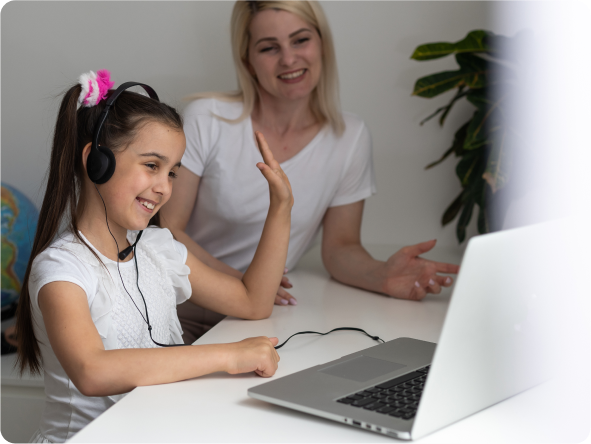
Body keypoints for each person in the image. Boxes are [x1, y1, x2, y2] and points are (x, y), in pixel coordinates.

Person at [15, 70, 292, 444]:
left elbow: (253, 301)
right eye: (151, 165)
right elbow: (91, 370)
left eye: (173, 172)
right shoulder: (62, 270)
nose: (164, 188)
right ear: (96, 161)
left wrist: (281, 208)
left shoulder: (156, 248)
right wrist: (227, 356)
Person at [160, 0, 459, 344]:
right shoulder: (206, 120)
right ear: (248, 61)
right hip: (179, 305)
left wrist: (383, 276)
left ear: (322, 44)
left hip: (260, 316)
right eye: (269, 48)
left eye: (300, 40)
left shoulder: (350, 136)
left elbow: (340, 248)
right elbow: (168, 228)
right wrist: (244, 284)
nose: (288, 59)